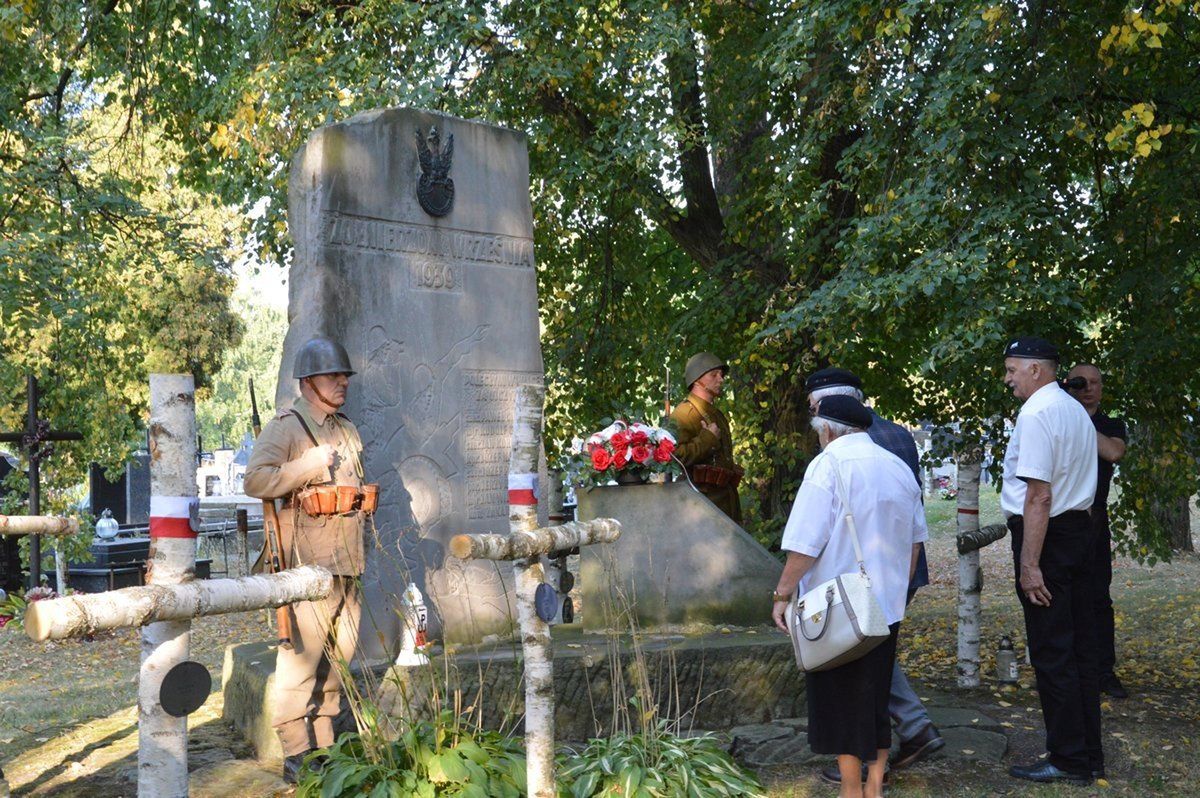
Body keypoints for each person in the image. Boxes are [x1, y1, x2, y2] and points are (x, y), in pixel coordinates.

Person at [772, 395, 927, 798]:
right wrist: (898, 592)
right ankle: (874, 786)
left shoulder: (828, 466)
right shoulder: (898, 467)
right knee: (875, 699)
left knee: (840, 703)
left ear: (826, 430)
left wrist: (782, 593)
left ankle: (850, 790)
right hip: (887, 605)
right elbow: (915, 543)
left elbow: (805, 544)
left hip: (837, 605)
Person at [805, 368, 944, 785]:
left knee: (857, 658)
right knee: (875, 652)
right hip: (898, 566)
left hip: (856, 572)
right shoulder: (899, 434)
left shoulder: (844, 442)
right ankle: (908, 732)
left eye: (815, 408)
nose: (814, 418)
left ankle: (864, 763)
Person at [244, 336, 368, 783]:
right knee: (301, 661)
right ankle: (297, 750)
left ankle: (325, 745)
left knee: (337, 659)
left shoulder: (346, 429)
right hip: (307, 565)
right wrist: (308, 465)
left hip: (348, 561)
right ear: (309, 381)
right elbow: (255, 480)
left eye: (344, 376)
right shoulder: (288, 427)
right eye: (333, 375)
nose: (342, 382)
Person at [1000, 337, 1101, 785]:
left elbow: (1038, 496)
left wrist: (1029, 564)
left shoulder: (1039, 412)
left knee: (1052, 650)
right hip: (1079, 532)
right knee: (1078, 648)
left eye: (1012, 370)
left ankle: (1068, 757)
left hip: (1050, 538)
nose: (1008, 380)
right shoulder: (1073, 409)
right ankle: (1087, 753)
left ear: (1036, 370)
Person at [1066, 363, 1129, 698]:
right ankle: (1071, 670)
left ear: (1102, 388)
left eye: (1094, 383)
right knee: (1061, 597)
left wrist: (1077, 420)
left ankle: (1104, 671)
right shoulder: (1056, 417)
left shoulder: (1110, 425)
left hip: (1094, 520)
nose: (1088, 388)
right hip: (1059, 518)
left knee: (1098, 599)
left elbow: (1114, 451)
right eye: (1080, 383)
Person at [670, 352, 742, 523]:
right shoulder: (683, 414)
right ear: (697, 380)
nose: (721, 379)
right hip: (700, 506)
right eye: (714, 375)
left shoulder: (717, 414)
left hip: (724, 501)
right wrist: (707, 439)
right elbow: (675, 457)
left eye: (721, 375)